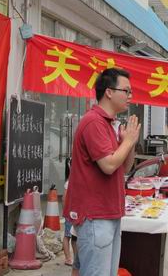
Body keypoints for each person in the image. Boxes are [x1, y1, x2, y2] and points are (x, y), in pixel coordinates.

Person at [63, 68, 140, 276]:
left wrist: (128, 144)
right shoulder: (94, 122)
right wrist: (129, 140)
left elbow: (124, 167)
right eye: (126, 91)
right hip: (96, 216)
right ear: (108, 92)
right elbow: (108, 165)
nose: (130, 97)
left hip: (109, 213)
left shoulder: (109, 124)